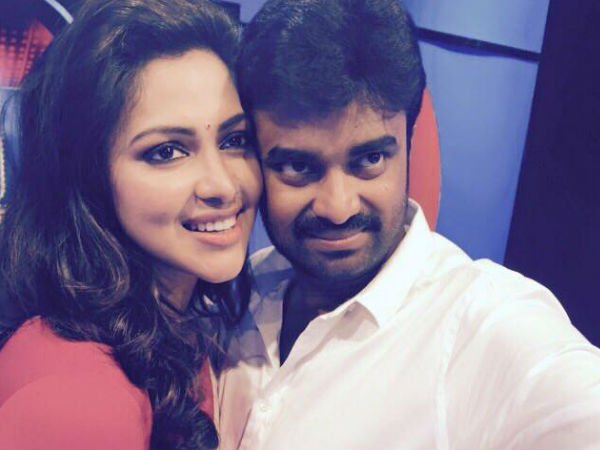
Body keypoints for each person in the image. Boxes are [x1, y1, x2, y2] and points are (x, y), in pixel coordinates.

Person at [211, 0, 600, 449]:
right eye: (298, 167)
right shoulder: (241, 290)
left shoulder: (484, 326)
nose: (338, 207)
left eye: (370, 159)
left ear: (409, 147)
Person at [0, 0, 261, 449]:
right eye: (166, 151)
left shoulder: (175, 330)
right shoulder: (78, 400)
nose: (222, 185)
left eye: (234, 140)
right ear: (89, 176)